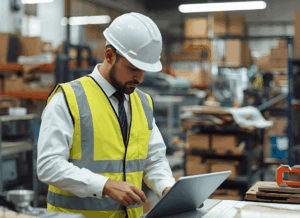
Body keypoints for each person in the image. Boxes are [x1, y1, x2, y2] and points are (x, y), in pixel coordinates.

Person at [37, 12, 176, 218]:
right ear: (110, 55)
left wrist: (167, 189)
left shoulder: (143, 102)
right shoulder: (68, 98)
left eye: (144, 71)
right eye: (133, 68)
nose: (139, 78)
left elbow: (153, 160)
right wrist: (105, 185)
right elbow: (48, 165)